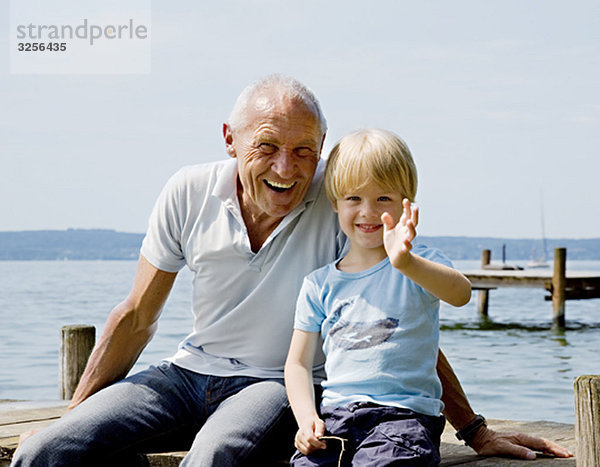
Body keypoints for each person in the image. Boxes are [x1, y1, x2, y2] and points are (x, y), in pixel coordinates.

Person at [12, 75, 572, 466]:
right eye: (267, 146)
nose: (287, 168)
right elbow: (136, 316)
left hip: (277, 384)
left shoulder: (342, 200)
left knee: (213, 457)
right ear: (229, 139)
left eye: (305, 150)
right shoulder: (187, 190)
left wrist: (473, 431)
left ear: (323, 148)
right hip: (186, 373)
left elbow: (402, 323)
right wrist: (70, 417)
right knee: (45, 450)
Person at [284, 128, 472, 466]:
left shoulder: (418, 264)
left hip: (403, 419)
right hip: (336, 418)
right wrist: (305, 418)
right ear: (335, 204)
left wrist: (407, 262)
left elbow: (460, 293)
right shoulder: (319, 284)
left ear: (406, 203)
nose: (368, 212)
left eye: (383, 199)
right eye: (354, 199)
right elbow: (297, 364)